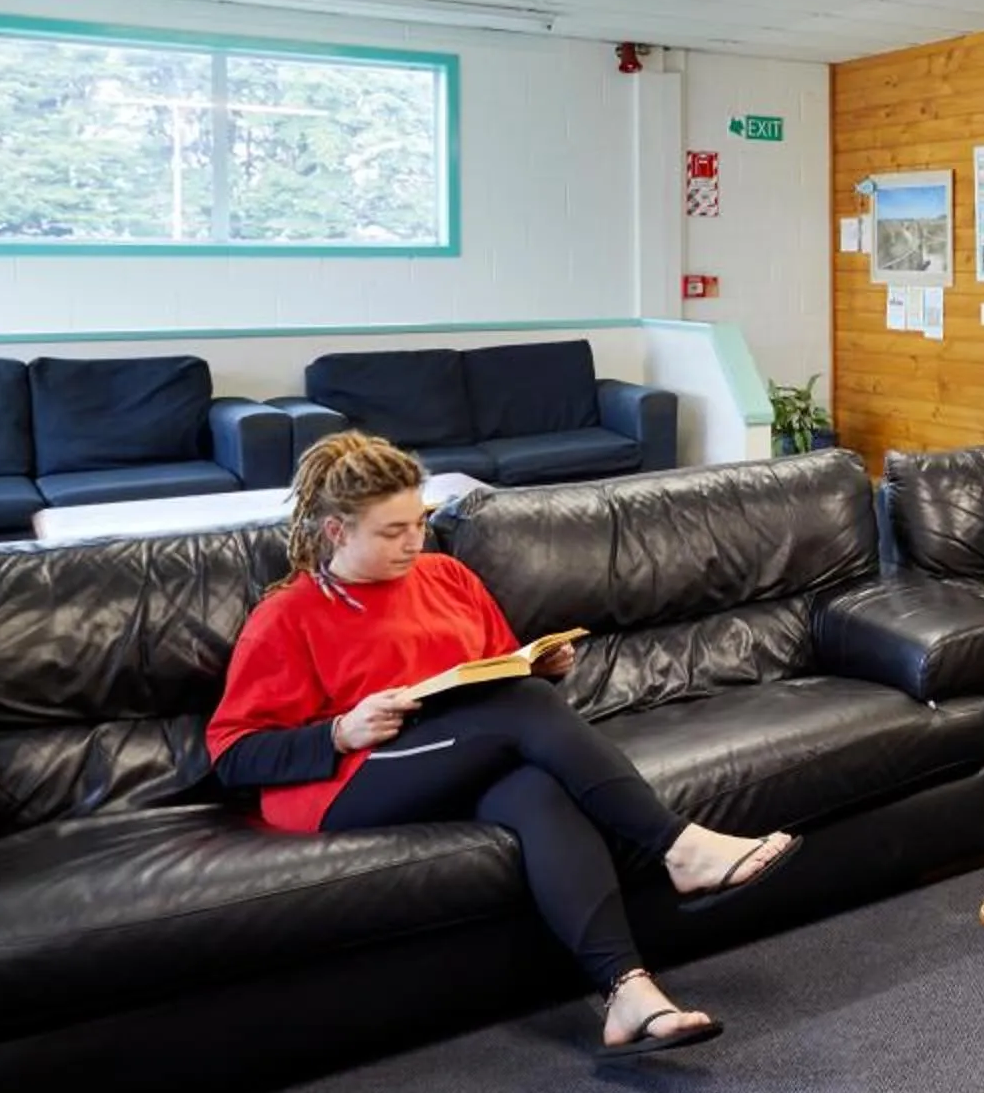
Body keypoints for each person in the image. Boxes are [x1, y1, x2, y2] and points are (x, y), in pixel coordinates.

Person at [207, 432, 798, 1060]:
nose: (415, 541)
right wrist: (339, 731)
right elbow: (232, 754)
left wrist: (537, 669)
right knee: (525, 710)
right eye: (392, 531)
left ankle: (628, 993)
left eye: (422, 521)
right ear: (334, 532)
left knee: (537, 788)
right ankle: (678, 846)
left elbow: (494, 675)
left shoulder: (448, 577)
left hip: (457, 759)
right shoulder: (288, 616)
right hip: (346, 783)